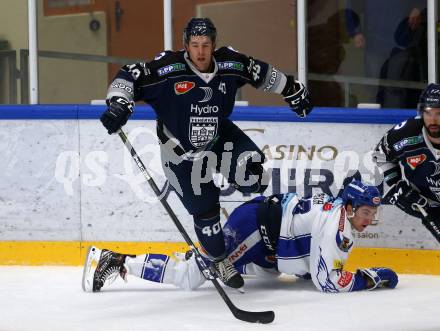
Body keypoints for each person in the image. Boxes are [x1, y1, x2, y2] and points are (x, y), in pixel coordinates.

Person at [99, 17, 312, 289]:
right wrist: (119, 104)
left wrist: (292, 89)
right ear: (185, 45)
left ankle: (230, 180)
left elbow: (260, 72)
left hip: (219, 136)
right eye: (195, 45)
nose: (200, 52)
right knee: (206, 211)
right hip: (180, 154)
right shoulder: (168, 69)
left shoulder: (229, 64)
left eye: (206, 45)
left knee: (254, 175)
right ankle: (220, 260)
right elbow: (129, 74)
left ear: (214, 45)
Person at [82, 180, 398, 293]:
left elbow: (313, 263)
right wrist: (371, 279)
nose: (370, 220)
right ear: (352, 207)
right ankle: (115, 260)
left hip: (266, 244)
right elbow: (328, 283)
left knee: (244, 272)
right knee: (193, 277)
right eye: (366, 213)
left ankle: (209, 256)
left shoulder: (340, 215)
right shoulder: (338, 226)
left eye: (373, 213)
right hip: (253, 232)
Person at [373, 83, 440, 243]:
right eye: (428, 113)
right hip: (426, 204)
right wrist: (396, 185)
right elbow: (380, 154)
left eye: (439, 113)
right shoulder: (404, 135)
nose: (433, 119)